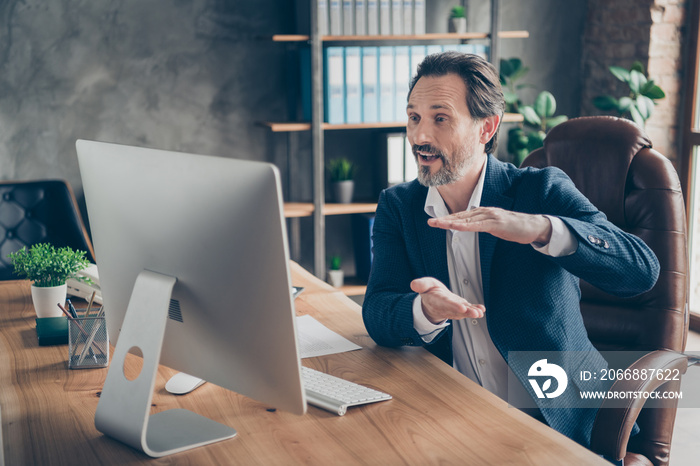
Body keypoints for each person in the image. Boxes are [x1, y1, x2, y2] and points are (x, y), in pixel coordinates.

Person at [361, 52, 659, 448]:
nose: (420, 137)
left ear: (487, 128)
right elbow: (377, 311)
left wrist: (540, 229)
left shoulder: (541, 191)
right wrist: (424, 311)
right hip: (455, 419)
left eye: (440, 118)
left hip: (556, 421)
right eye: (414, 117)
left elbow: (641, 269)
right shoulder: (399, 207)